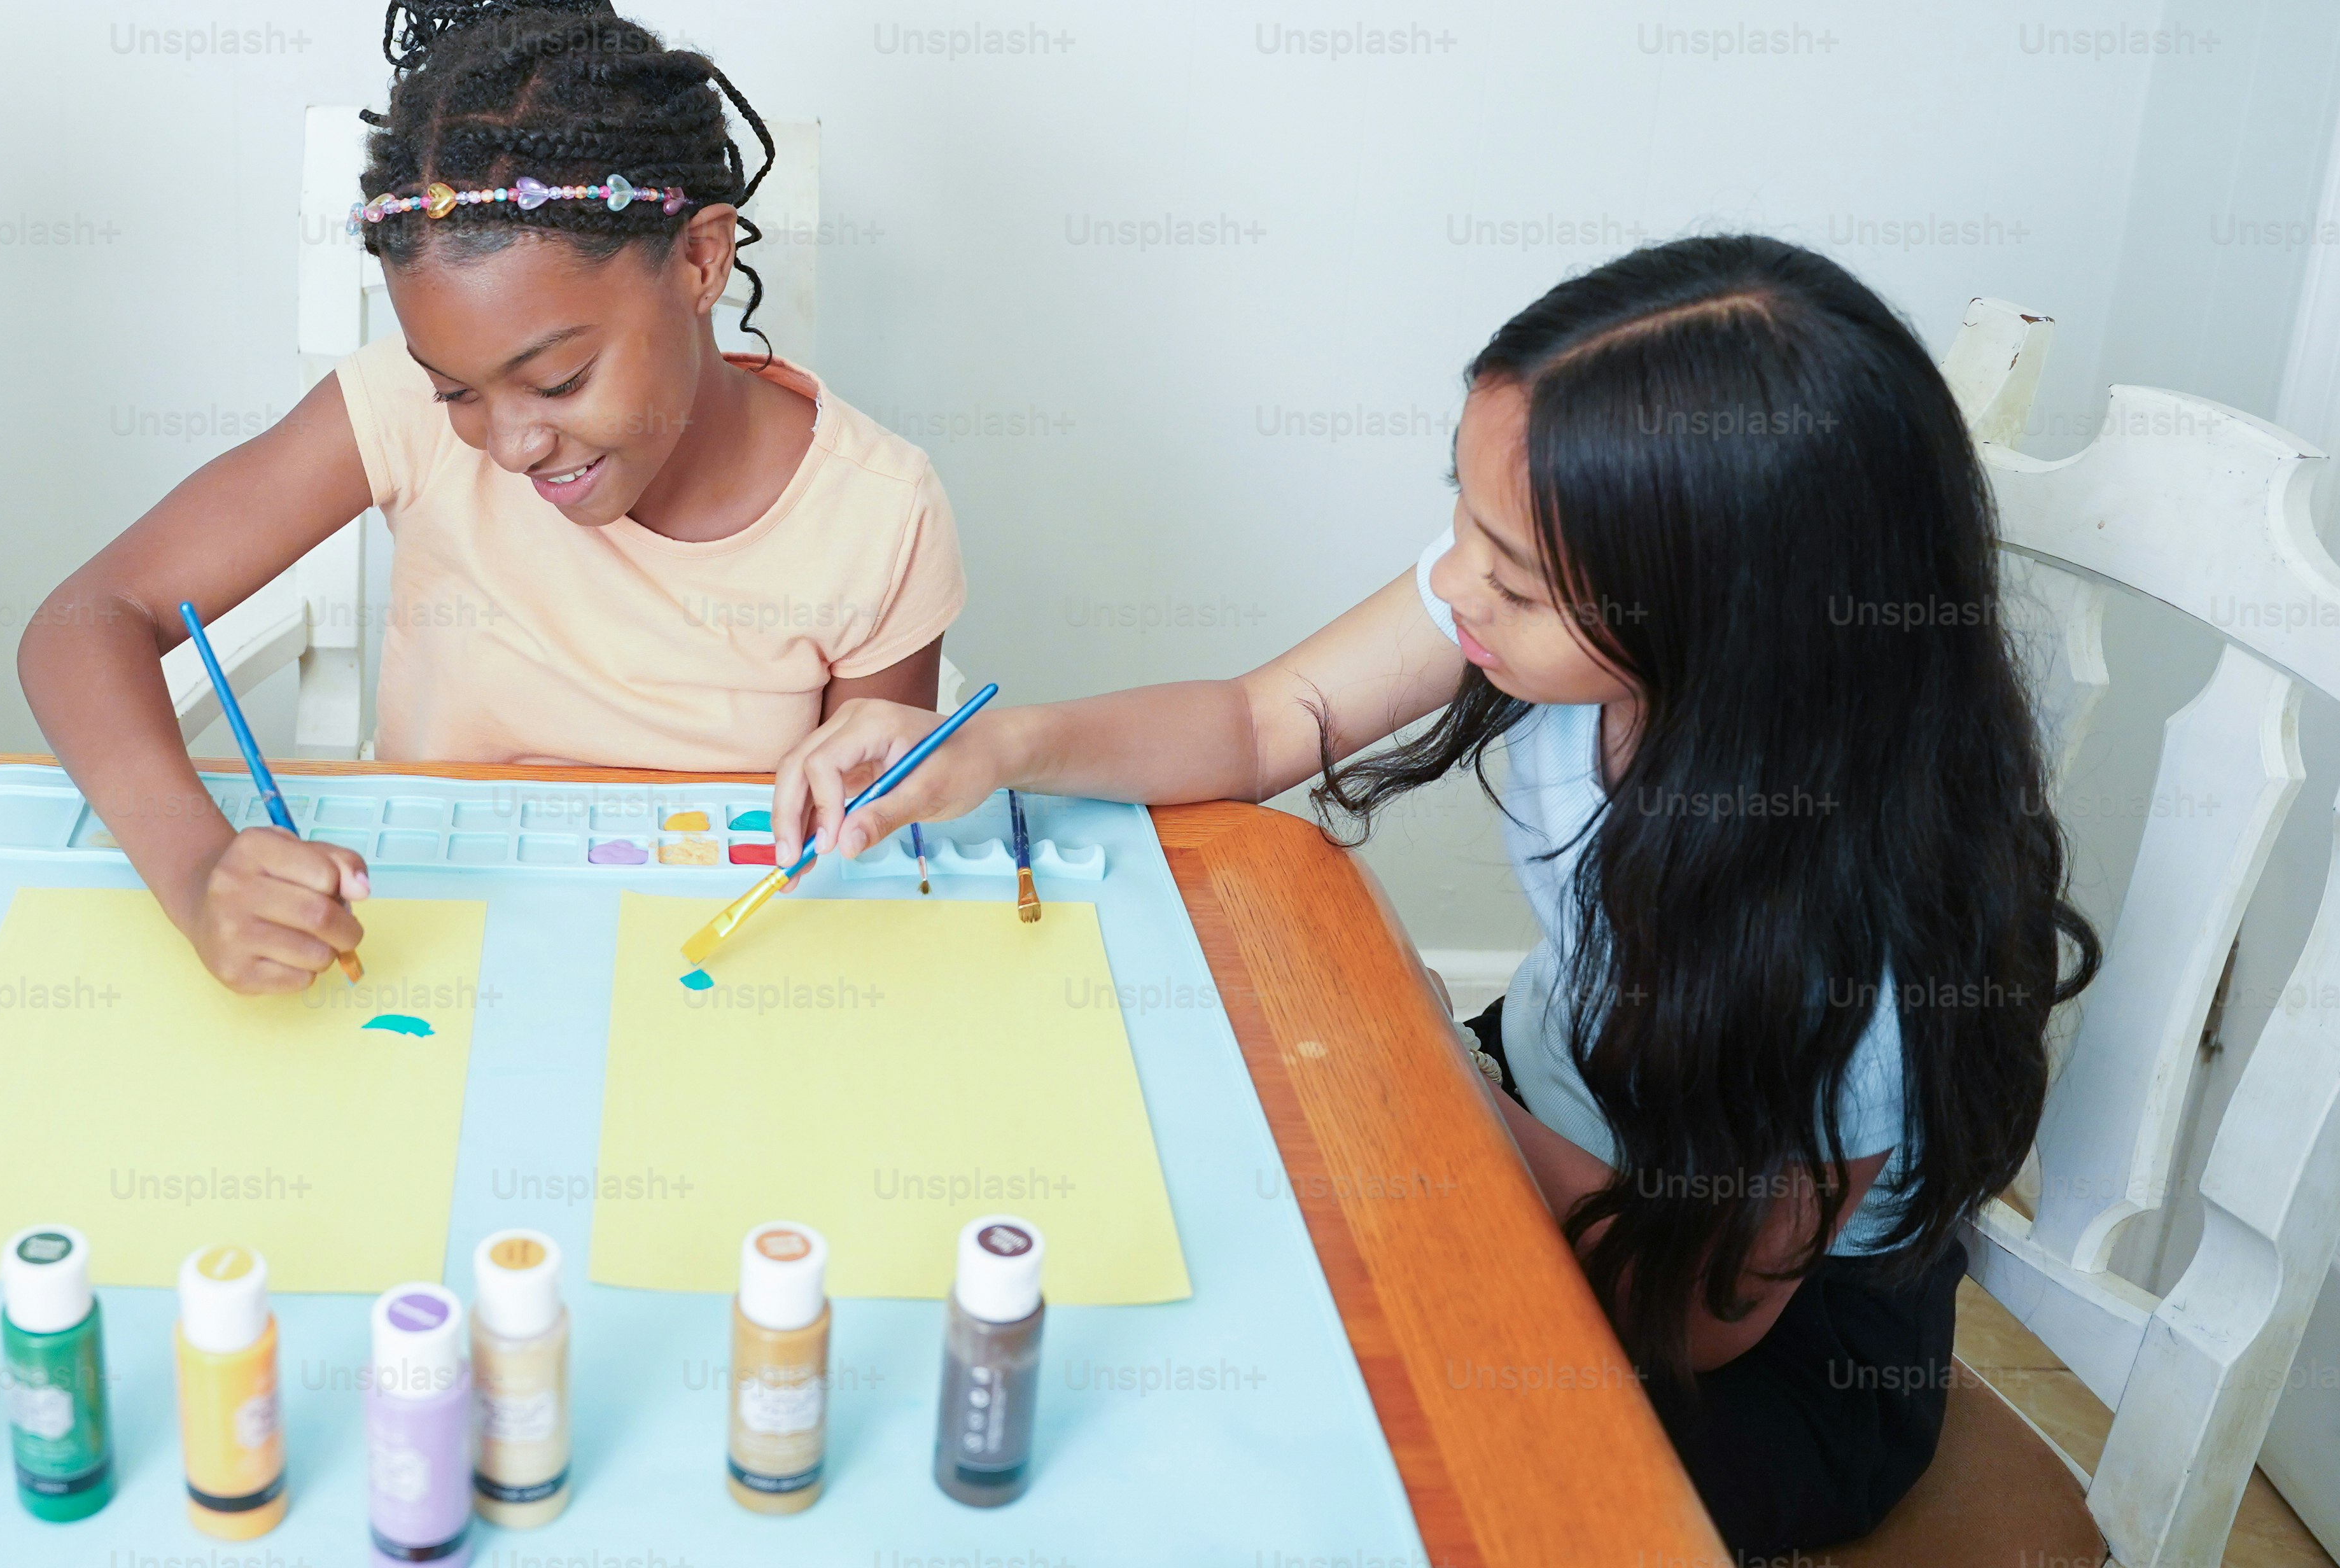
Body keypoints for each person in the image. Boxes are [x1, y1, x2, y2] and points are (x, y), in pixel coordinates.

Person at [775, 235, 2094, 1557]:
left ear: (1729, 626)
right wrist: (998, 744)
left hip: (1748, 1352)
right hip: (1522, 1117)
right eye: (1462, 518)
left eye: (1512, 575)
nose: (1455, 580)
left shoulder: (1851, 948)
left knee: (1324, 1456)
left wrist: (1408, 1065)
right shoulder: (1548, 597)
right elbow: (1257, 717)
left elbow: (1695, 1307)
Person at [27, 0, 966, 993]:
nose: (514, 442)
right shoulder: (398, 411)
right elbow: (83, 622)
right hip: (416, 952)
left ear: (701, 261)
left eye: (561, 381)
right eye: (456, 390)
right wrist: (195, 870)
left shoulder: (877, 513)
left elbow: (861, 845)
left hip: (716, 969)